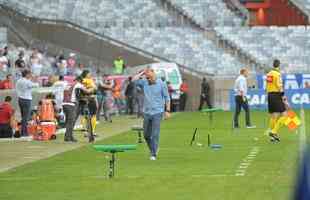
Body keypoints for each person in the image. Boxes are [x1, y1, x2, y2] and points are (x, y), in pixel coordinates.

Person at [134, 68, 171, 160]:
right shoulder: (145, 82)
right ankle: (153, 149)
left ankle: (153, 154)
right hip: (146, 112)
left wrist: (168, 110)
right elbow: (134, 80)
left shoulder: (162, 84)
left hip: (158, 112)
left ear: (154, 74)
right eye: (147, 78)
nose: (148, 79)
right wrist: (142, 72)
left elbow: (167, 98)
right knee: (146, 135)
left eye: (149, 77)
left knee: (155, 134)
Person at [63, 76, 93, 142]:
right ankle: (68, 137)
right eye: (82, 82)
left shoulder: (68, 84)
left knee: (69, 121)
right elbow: (87, 91)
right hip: (71, 104)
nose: (82, 83)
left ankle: (68, 136)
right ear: (79, 80)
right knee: (71, 122)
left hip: (64, 104)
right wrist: (91, 88)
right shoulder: (78, 84)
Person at [266, 59, 287, 142]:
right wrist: (283, 96)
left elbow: (267, 85)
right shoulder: (277, 74)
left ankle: (273, 137)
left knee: (273, 116)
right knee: (285, 115)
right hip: (276, 95)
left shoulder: (269, 74)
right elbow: (279, 86)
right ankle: (274, 131)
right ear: (279, 65)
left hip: (269, 95)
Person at [16, 70, 39, 137]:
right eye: (29, 74)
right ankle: (24, 133)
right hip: (26, 100)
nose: (30, 75)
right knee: (25, 117)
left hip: (20, 99)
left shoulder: (18, 81)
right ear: (26, 74)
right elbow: (36, 85)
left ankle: (23, 132)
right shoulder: (27, 81)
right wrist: (34, 78)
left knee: (23, 117)